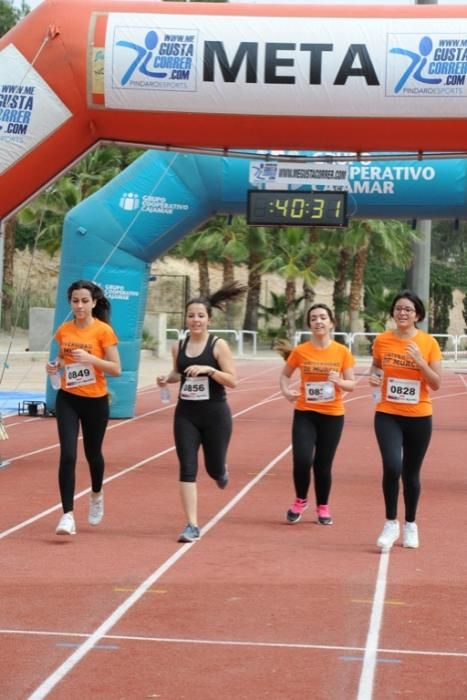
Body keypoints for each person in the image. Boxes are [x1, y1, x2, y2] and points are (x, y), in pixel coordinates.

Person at [156, 281, 247, 543]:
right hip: (186, 414)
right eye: (191, 316)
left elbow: (232, 380)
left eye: (200, 316)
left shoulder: (218, 346)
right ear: (186, 318)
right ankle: (192, 524)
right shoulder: (179, 346)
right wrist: (167, 378)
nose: (195, 320)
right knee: (187, 466)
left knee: (213, 467)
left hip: (215, 414)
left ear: (209, 319)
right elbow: (178, 372)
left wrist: (210, 370)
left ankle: (220, 471)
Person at [46, 280, 121, 536]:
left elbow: (116, 369)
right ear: (70, 302)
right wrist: (54, 367)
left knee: (93, 455)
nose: (79, 305)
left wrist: (91, 359)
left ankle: (96, 494)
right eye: (75, 301)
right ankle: (67, 514)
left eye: (84, 301)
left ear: (94, 303)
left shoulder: (103, 332)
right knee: (67, 455)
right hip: (68, 398)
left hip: (95, 401)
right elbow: (60, 359)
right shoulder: (64, 330)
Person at [369, 290, 442, 550]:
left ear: (417, 315)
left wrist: (421, 362)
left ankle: (411, 524)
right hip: (388, 413)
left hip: (419, 416)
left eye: (408, 310)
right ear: (393, 312)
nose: (402, 313)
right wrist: (374, 377)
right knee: (392, 466)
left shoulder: (428, 343)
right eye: (398, 309)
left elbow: (436, 384)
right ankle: (391, 523)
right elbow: (376, 366)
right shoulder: (382, 340)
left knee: (411, 473)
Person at [277, 304, 356, 526]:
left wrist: (339, 381)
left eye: (323, 317)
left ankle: (323, 506)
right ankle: (300, 500)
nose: (318, 321)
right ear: (309, 324)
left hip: (332, 415)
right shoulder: (301, 351)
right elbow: (285, 375)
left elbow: (351, 384)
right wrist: (285, 391)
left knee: (323, 464)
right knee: (301, 459)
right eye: (314, 318)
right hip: (305, 413)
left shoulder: (342, 351)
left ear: (331, 322)